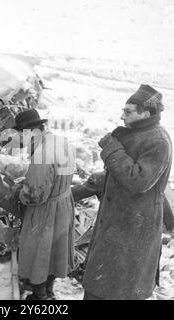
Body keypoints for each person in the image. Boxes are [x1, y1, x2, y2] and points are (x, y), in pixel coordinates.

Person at [81, 84, 173, 300]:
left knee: (117, 290)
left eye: (128, 111)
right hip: (121, 224)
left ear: (147, 113)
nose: (122, 116)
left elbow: (139, 180)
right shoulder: (139, 134)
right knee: (101, 286)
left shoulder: (157, 140)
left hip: (132, 229)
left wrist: (112, 149)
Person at [13, 109, 75, 300]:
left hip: (46, 210)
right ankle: (49, 292)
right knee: (54, 252)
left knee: (39, 252)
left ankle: (38, 297)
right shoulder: (61, 141)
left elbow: (35, 196)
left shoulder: (42, 153)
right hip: (63, 203)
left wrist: (19, 192)